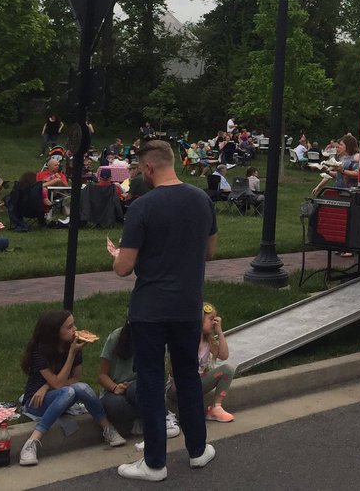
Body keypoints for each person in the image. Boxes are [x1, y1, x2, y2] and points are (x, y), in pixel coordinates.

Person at [110, 139, 218, 481]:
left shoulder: (142, 207)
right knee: (188, 376)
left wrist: (118, 256)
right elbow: (210, 252)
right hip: (188, 305)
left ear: (148, 168)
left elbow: (124, 268)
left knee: (151, 381)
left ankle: (155, 463)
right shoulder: (202, 200)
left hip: (150, 308)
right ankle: (198, 450)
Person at [17, 310, 127, 466]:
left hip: (60, 395)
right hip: (35, 402)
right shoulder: (40, 351)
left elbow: (75, 379)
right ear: (56, 332)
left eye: (73, 324)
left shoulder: (74, 346)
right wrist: (71, 355)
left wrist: (46, 386)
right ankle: (31, 443)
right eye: (69, 327)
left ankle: (108, 429)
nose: (75, 329)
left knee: (83, 387)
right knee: (68, 390)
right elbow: (58, 384)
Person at [98, 317, 181, 440]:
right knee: (117, 406)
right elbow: (102, 376)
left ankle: (163, 417)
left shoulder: (154, 340)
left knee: (137, 389)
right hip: (113, 391)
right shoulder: (115, 337)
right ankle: (141, 422)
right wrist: (115, 387)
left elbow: (157, 375)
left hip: (138, 385)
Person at [196, 302, 236, 422]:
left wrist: (219, 332)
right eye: (211, 319)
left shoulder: (208, 342)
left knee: (227, 369)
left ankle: (216, 408)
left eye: (215, 319)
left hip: (197, 382)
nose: (214, 322)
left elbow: (224, 355)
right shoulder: (186, 339)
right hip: (178, 385)